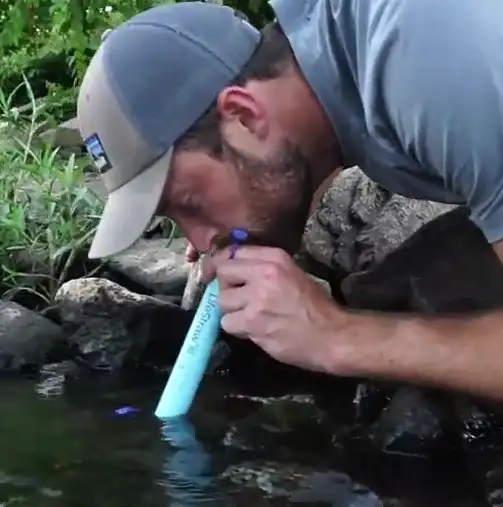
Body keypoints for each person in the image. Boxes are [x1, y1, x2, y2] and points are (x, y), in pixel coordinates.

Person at [76, 0, 503, 400]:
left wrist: (337, 336)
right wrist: (248, 215)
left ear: (244, 116)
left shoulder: (430, 70)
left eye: (189, 201)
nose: (205, 243)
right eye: (177, 218)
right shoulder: (338, 54)